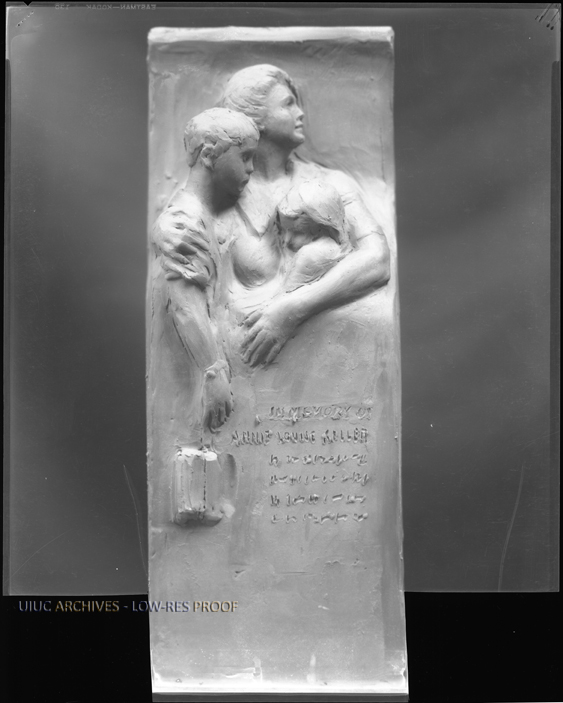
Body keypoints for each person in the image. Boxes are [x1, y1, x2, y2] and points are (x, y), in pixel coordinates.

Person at [157, 64, 390, 369]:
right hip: (246, 355)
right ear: (258, 120)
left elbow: (377, 258)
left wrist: (291, 309)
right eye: (288, 104)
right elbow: (183, 220)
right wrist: (161, 230)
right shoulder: (224, 189)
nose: (300, 113)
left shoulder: (330, 182)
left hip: (331, 356)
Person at [152, 107, 259, 432]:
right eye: (245, 157)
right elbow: (186, 308)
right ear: (209, 155)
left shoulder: (201, 215)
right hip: (194, 386)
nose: (251, 168)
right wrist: (213, 373)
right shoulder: (184, 222)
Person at [276, 179, 351, 293]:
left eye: (297, 232)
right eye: (283, 230)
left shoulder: (311, 254)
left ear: (323, 228)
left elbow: (283, 296)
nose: (286, 240)